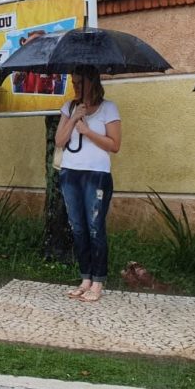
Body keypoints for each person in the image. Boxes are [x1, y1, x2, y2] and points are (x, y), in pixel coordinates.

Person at [54, 65, 121, 302]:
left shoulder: (108, 108)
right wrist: (73, 119)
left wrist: (87, 130)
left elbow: (114, 145)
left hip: (96, 174)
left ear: (92, 82)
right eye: (73, 82)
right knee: (78, 228)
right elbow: (60, 141)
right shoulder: (70, 107)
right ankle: (85, 278)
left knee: (95, 228)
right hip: (71, 173)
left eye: (80, 83)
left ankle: (98, 279)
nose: (76, 87)